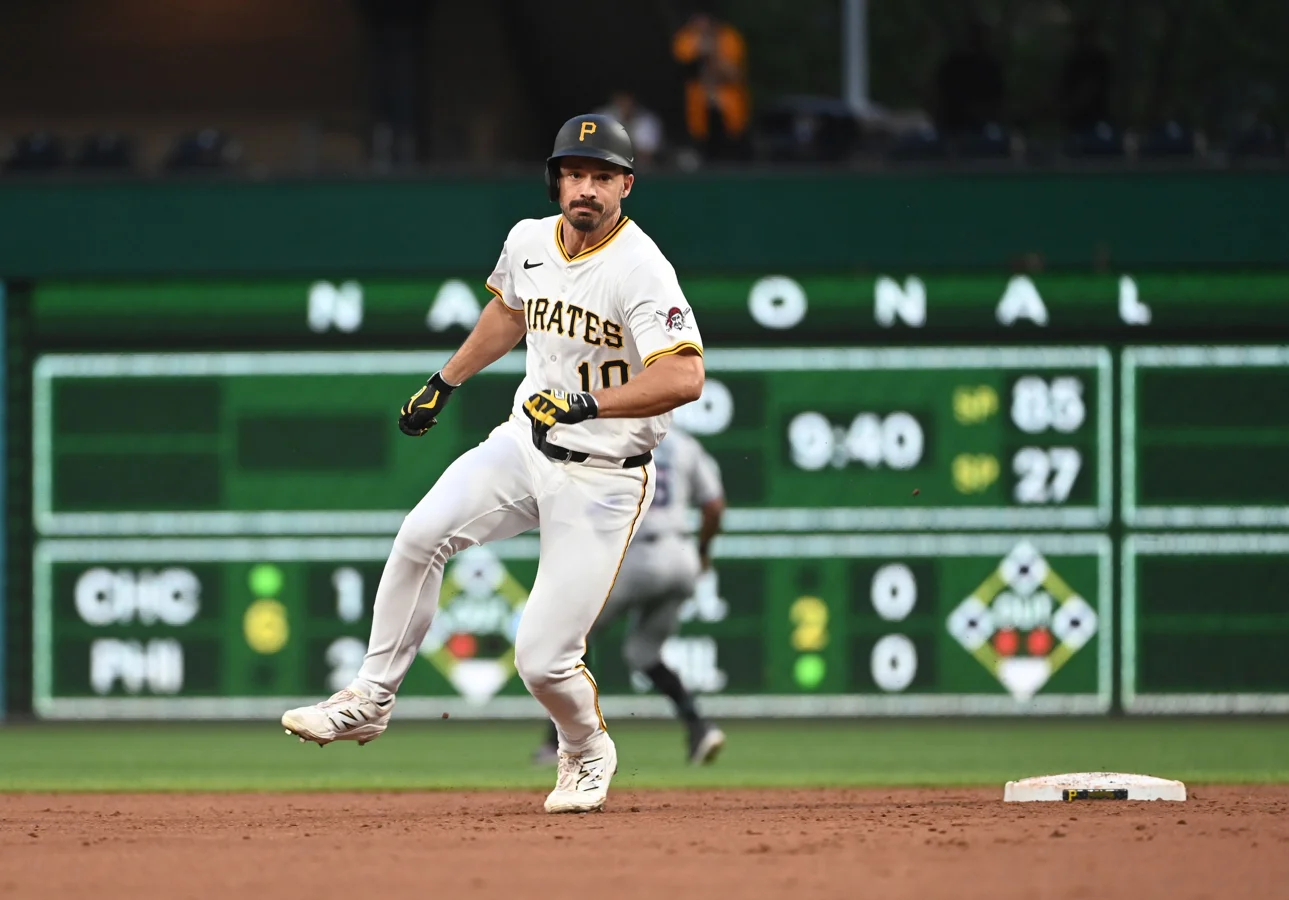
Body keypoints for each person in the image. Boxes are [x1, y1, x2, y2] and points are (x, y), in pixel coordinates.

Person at [281, 113, 705, 815]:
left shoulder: (641, 268)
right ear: (555, 180)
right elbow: (509, 312)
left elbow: (685, 377)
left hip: (604, 475)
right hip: (525, 444)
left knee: (542, 660)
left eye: (602, 176)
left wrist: (590, 404)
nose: (587, 188)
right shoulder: (528, 240)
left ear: (626, 186)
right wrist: (444, 381)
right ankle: (370, 699)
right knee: (420, 535)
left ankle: (587, 748)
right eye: (575, 173)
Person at [532, 425, 726, 767]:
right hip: (681, 557)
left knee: (571, 640)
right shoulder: (686, 444)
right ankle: (700, 728)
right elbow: (713, 506)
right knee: (643, 652)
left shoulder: (611, 438)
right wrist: (703, 552)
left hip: (634, 555)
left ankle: (564, 742)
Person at [671, 10, 751, 161]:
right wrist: (700, 50)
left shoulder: (729, 38)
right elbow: (683, 65)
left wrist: (713, 53)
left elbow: (736, 74)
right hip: (699, 106)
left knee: (734, 143)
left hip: (728, 103)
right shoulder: (686, 39)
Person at [597, 90, 665, 166]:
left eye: (628, 99)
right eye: (621, 99)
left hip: (639, 167)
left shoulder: (648, 120)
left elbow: (646, 154)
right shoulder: (602, 116)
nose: (625, 103)